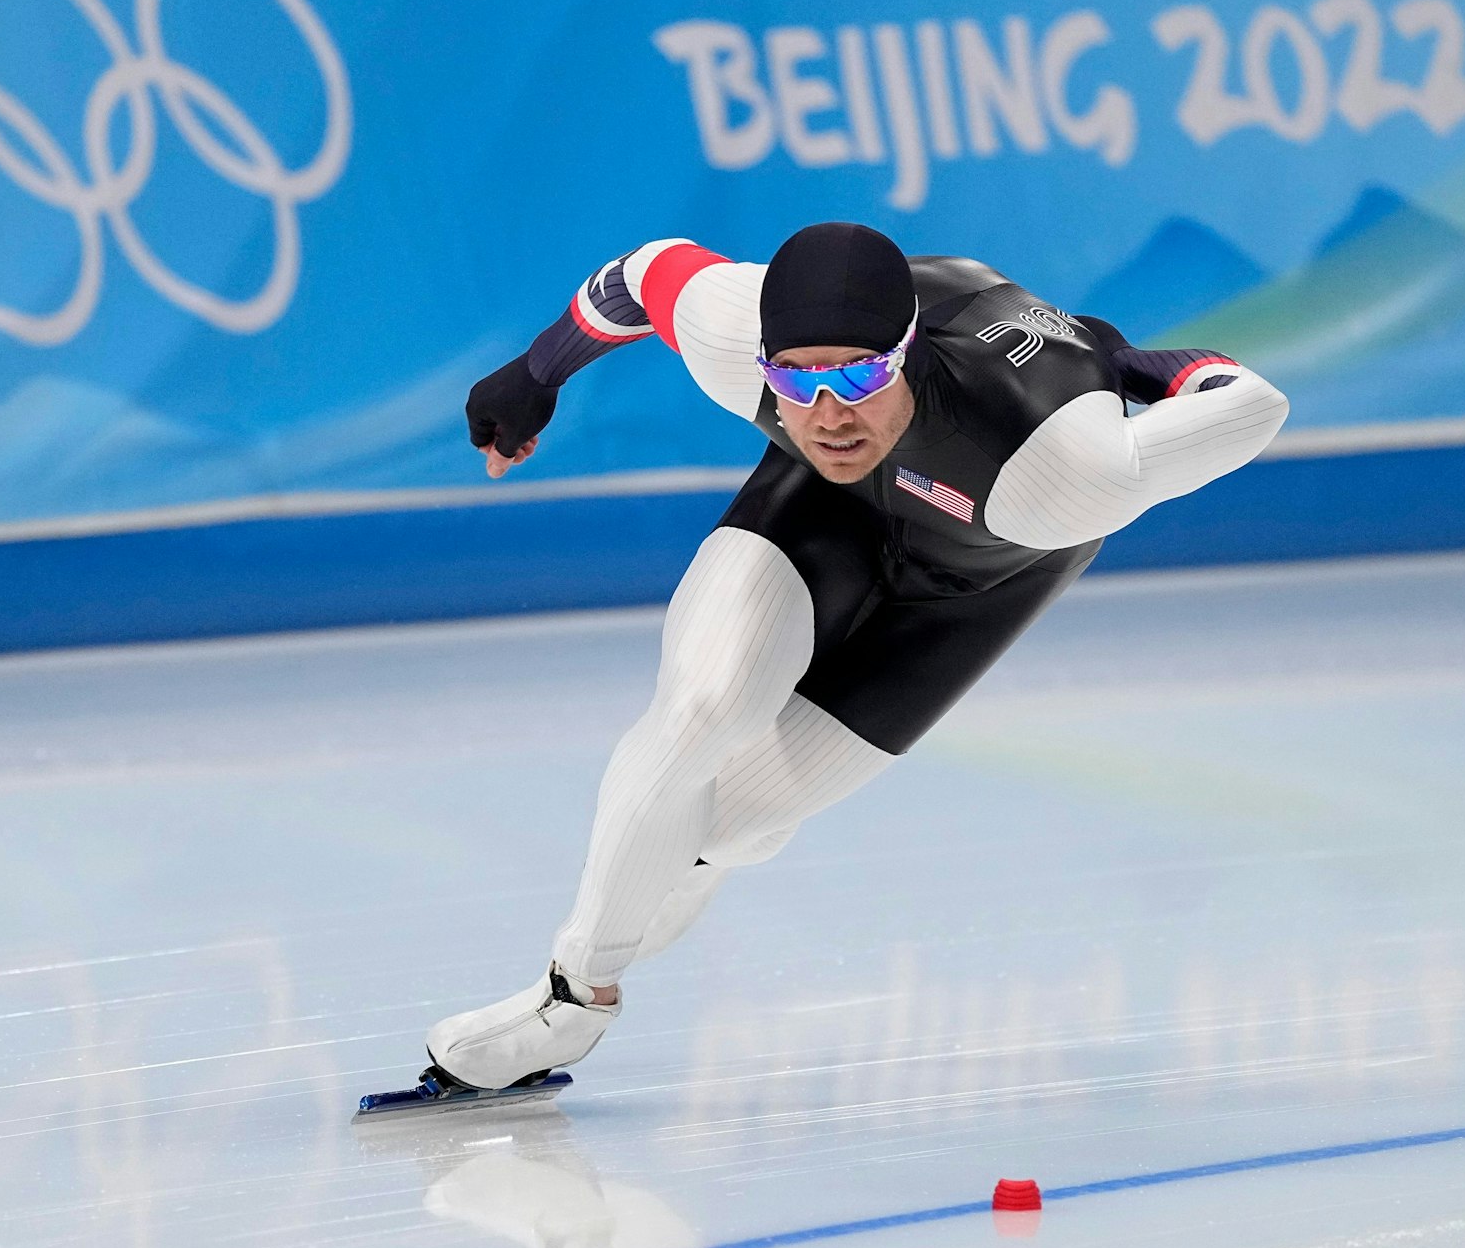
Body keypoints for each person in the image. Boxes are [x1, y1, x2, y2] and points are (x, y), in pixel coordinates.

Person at [424, 222, 1287, 1093]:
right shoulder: (732, 333)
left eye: (860, 376)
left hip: (974, 581)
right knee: (699, 712)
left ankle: (643, 905)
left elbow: (1252, 403)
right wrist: (537, 374)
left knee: (725, 826)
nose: (829, 412)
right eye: (795, 379)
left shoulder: (1068, 467)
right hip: (825, 508)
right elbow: (642, 276)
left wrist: (1133, 365)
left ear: (905, 354)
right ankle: (573, 1002)